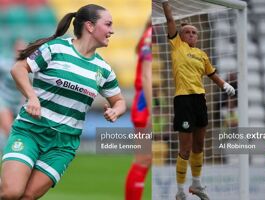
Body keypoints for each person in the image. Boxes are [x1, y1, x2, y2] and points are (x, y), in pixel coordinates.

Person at [0, 4, 126, 200]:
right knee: (11, 193)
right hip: (31, 131)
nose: (112, 30)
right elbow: (19, 69)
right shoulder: (56, 48)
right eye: (108, 24)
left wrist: (116, 111)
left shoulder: (104, 69)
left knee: (27, 196)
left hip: (63, 145)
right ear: (90, 27)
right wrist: (32, 97)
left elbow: (119, 101)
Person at [161, 1, 236, 199]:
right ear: (180, 35)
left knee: (199, 145)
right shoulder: (177, 46)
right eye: (187, 32)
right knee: (185, 148)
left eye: (194, 32)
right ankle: (179, 190)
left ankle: (196, 185)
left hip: (200, 100)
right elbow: (169, 19)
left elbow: (211, 74)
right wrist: (166, 5)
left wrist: (224, 85)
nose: (191, 35)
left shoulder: (202, 55)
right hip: (183, 100)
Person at [125, 17, 152, 200]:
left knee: (146, 161)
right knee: (143, 160)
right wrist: (152, 110)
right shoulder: (152, 35)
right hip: (145, 107)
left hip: (146, 106)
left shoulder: (149, 35)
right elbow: (147, 76)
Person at [0, 39, 27, 154]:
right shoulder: (4, 65)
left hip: (19, 103)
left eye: (22, 50)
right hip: (4, 100)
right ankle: (12, 155)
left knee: (17, 131)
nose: (20, 52)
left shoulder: (29, 68)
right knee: (9, 129)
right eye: (18, 49)